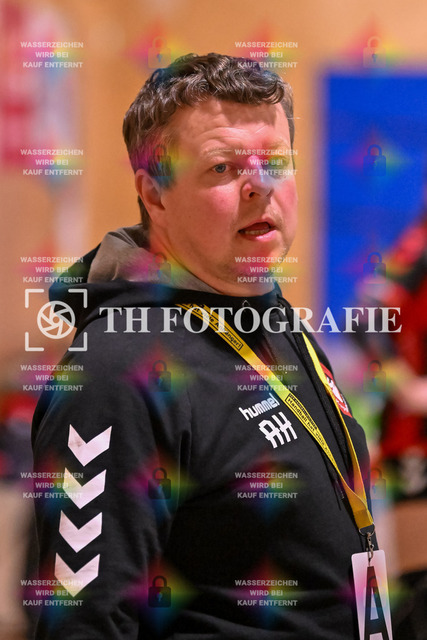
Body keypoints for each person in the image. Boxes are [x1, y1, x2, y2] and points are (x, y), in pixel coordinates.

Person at [32, 53, 376, 639]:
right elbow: (84, 623)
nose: (260, 186)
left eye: (276, 161)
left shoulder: (273, 317)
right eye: (223, 167)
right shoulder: (115, 370)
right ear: (155, 195)